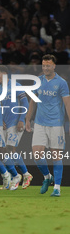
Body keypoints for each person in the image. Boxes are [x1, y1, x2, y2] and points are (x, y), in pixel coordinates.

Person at [26, 54, 70, 197]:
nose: (45, 67)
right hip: (39, 123)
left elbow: (67, 103)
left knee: (56, 156)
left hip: (56, 124)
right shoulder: (38, 81)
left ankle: (57, 187)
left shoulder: (62, 82)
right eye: (43, 65)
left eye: (48, 65)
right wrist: (27, 119)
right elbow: (32, 101)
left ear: (54, 66)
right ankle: (47, 177)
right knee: (37, 155)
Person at [0, 65, 33, 189]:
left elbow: (25, 103)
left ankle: (19, 177)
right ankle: (23, 175)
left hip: (15, 123)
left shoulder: (16, 85)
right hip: (3, 124)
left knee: (10, 150)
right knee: (2, 153)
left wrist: (22, 120)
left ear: (5, 74)